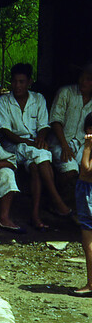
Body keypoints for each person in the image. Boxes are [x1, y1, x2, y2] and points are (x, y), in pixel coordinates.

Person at [0, 63, 72, 230]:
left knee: (37, 165)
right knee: (41, 154)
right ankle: (57, 200)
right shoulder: (3, 101)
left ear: (29, 82)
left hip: (33, 146)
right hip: (12, 146)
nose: (17, 86)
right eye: (15, 82)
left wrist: (40, 138)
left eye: (22, 82)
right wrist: (31, 143)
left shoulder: (38, 99)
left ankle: (35, 215)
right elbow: (4, 130)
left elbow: (44, 125)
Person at [49, 62, 92, 193]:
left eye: (89, 79)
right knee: (70, 171)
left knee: (86, 171)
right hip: (60, 142)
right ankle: (55, 198)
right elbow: (56, 121)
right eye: (82, 77)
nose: (83, 82)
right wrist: (64, 145)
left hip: (82, 145)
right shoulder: (65, 92)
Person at [70, 113, 92, 297]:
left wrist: (87, 146)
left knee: (89, 240)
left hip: (89, 192)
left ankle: (91, 283)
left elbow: (86, 169)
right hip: (85, 190)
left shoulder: (90, 146)